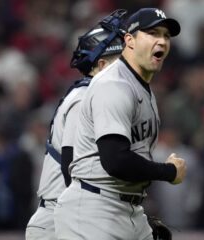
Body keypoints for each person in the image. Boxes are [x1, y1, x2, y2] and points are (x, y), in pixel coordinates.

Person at [54, 8, 187, 240]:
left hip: (125, 207)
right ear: (129, 40)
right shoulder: (114, 84)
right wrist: (168, 171)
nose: (162, 41)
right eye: (152, 33)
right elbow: (115, 160)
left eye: (166, 36)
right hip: (94, 208)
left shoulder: (140, 86)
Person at [25, 9, 127, 240]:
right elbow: (70, 166)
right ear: (101, 64)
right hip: (60, 221)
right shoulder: (83, 98)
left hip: (73, 216)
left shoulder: (98, 97)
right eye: (119, 60)